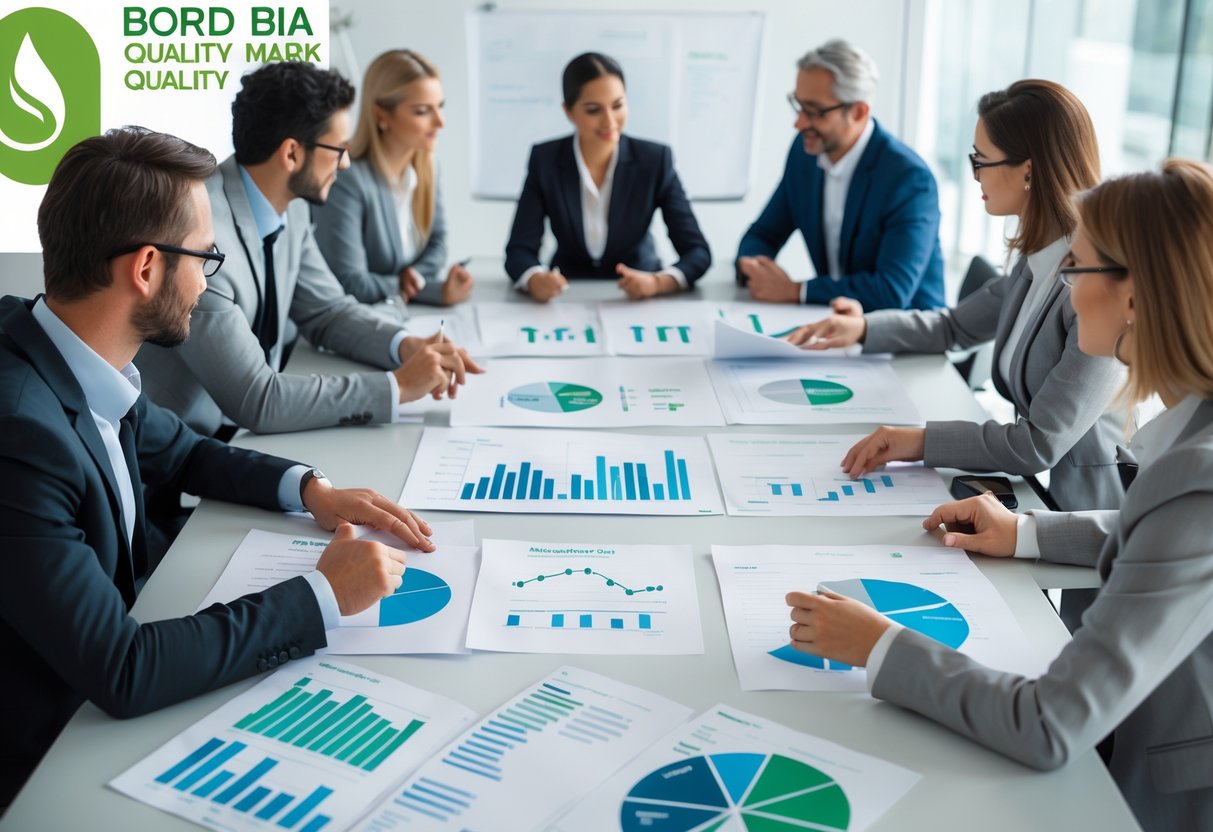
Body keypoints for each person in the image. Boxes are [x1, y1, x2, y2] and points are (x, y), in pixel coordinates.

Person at [0, 126, 438, 808]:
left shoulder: (65, 345)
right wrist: (323, 596)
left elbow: (182, 452)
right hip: (45, 759)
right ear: (146, 269)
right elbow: (123, 670)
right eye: (204, 256)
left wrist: (310, 489)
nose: (210, 276)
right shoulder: (20, 433)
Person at [787, 159, 1213, 832]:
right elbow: (1161, 533)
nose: (1066, 293)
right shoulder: (1193, 436)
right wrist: (1023, 531)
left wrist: (880, 645)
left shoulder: (1197, 473)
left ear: (1134, 296)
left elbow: (1048, 724)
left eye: (1075, 270)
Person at [786, 80, 1125, 513]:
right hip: (1034, 497)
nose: (975, 174)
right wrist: (863, 328)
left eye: (981, 160)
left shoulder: (1096, 284)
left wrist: (920, 441)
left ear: (1029, 169)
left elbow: (1037, 443)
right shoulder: (1039, 254)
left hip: (1095, 514)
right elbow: (955, 325)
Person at [137, 61, 481, 438]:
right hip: (175, 457)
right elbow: (258, 399)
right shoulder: (200, 235)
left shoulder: (291, 204)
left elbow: (327, 311)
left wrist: (404, 346)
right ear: (292, 154)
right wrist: (397, 387)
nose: (346, 163)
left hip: (230, 436)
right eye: (338, 150)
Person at [736, 38, 944, 311]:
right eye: (799, 106)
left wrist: (795, 291)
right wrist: (755, 267)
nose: (799, 123)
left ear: (858, 112)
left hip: (905, 336)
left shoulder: (909, 179)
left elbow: (891, 290)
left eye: (814, 112)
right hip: (837, 323)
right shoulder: (805, 155)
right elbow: (763, 234)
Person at [504, 52, 711, 302]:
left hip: (641, 297)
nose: (609, 121)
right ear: (569, 111)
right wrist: (535, 279)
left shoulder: (655, 160)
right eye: (593, 110)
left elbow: (698, 252)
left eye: (618, 105)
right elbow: (519, 250)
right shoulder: (545, 160)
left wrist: (659, 283)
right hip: (569, 294)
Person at [313, 49, 473, 311]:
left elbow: (438, 243)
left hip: (408, 312)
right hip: (362, 319)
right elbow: (349, 282)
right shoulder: (346, 179)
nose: (440, 122)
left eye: (440, 107)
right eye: (422, 111)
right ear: (381, 116)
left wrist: (416, 278)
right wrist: (429, 289)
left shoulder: (428, 166)